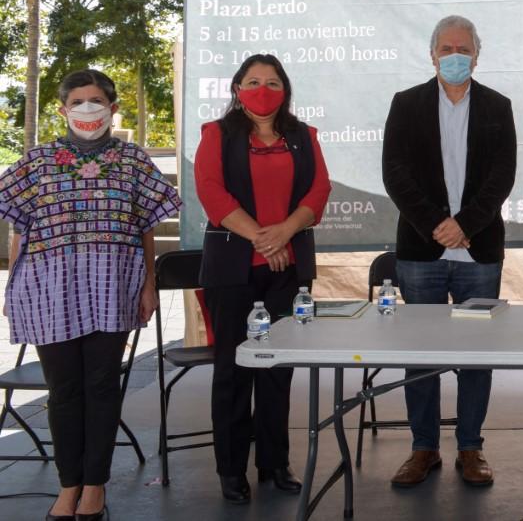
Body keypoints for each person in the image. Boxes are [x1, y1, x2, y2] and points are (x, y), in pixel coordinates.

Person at [0, 69, 179, 521]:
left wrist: (149, 284)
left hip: (113, 286)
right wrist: (13, 288)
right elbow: (19, 226)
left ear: (112, 107)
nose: (87, 109)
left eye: (95, 100)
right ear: (62, 109)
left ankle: (95, 485)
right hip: (48, 288)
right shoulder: (38, 160)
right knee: (63, 390)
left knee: (101, 386)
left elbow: (146, 226)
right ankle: (69, 486)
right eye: (77, 101)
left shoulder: (133, 160)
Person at [382, 15, 517, 488]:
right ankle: (423, 448)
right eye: (446, 48)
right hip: (422, 250)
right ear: (432, 54)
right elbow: (395, 173)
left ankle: (470, 447)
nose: (455, 55)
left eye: (464, 48)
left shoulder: (499, 106)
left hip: (478, 251)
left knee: (476, 354)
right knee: (421, 353)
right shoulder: (406, 104)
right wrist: (438, 226)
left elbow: (502, 176)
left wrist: (465, 226)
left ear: (477, 56)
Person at [195, 53, 331, 504]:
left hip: (288, 269)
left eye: (272, 82)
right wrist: (261, 238)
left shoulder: (304, 136)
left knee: (277, 370)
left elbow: (319, 190)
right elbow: (212, 192)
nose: (263, 90)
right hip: (233, 270)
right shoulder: (216, 135)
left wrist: (284, 233)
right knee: (233, 371)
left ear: (285, 90)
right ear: (237, 89)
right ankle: (231, 470)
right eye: (253, 82)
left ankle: (275, 463)